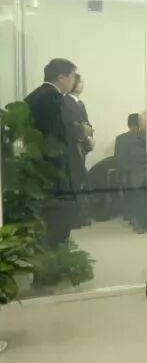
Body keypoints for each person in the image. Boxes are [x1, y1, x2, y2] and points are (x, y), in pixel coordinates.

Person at [24, 58, 80, 245]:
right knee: (57, 221)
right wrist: (80, 131)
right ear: (61, 77)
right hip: (54, 168)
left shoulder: (35, 96)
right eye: (72, 76)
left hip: (39, 165)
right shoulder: (53, 99)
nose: (74, 81)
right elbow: (58, 134)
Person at [61, 73, 94, 203]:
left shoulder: (80, 103)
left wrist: (89, 136)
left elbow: (86, 123)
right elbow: (70, 123)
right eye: (80, 82)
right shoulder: (65, 101)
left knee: (79, 176)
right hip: (72, 144)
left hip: (82, 144)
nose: (82, 85)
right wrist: (84, 130)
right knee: (74, 176)